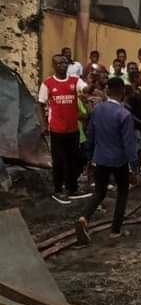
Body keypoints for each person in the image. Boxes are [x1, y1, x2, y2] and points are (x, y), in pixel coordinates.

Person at [75, 77, 137, 244]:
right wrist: (134, 168)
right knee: (122, 193)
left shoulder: (97, 110)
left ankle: (84, 218)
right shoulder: (124, 114)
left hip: (100, 158)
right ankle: (115, 231)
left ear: (107, 91)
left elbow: (91, 135)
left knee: (99, 192)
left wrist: (90, 157)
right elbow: (129, 144)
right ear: (123, 92)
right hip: (119, 161)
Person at [38, 53, 89, 204]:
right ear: (54, 65)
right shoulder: (48, 84)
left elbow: (85, 90)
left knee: (73, 159)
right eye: (59, 63)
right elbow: (40, 104)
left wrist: (90, 86)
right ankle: (58, 190)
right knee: (59, 160)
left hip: (73, 129)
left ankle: (72, 188)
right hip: (57, 129)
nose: (63, 65)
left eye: (65, 63)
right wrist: (43, 124)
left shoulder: (75, 81)